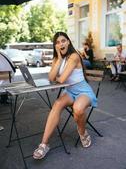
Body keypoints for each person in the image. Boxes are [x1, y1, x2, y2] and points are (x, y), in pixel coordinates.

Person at [33, 32, 97, 160]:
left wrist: (57, 77)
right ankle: (44, 144)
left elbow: (61, 79)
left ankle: (83, 132)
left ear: (68, 42)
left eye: (63, 41)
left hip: (83, 91)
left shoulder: (74, 56)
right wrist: (60, 60)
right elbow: (51, 78)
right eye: (57, 42)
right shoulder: (57, 59)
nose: (60, 44)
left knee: (78, 109)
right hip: (69, 91)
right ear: (55, 45)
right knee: (57, 104)